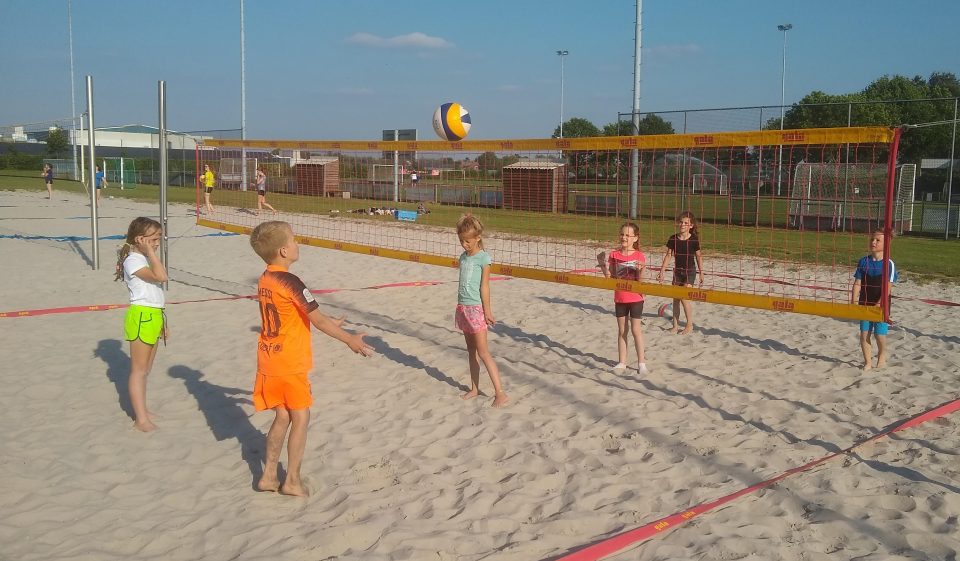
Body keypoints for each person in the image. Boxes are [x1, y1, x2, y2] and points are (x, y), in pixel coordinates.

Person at [249, 221, 373, 496]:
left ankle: (268, 476)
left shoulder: (265, 278)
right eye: (293, 240)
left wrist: (331, 321)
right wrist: (349, 339)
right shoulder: (290, 281)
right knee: (301, 418)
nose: (297, 244)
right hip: (290, 361)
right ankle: (291, 480)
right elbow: (317, 321)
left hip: (269, 357)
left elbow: (296, 314)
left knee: (282, 416)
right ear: (283, 250)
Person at [114, 217, 168, 432]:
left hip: (154, 314)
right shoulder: (134, 260)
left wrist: (163, 322)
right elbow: (161, 276)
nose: (157, 243)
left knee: (146, 370)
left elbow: (155, 292)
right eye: (153, 239)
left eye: (158, 239)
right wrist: (152, 253)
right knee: (138, 370)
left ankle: (142, 411)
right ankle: (140, 419)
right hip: (141, 316)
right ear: (140, 239)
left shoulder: (142, 258)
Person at [455, 214, 509, 407]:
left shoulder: (484, 258)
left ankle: (500, 393)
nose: (464, 245)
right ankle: (475, 388)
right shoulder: (463, 257)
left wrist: (487, 311)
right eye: (461, 241)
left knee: (484, 352)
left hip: (477, 309)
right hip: (463, 308)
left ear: (478, 237)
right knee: (471, 351)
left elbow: (484, 287)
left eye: (467, 241)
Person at [598, 222, 648, 373]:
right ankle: (622, 362)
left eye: (627, 235)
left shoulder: (639, 256)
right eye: (622, 234)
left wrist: (641, 270)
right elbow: (611, 277)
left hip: (636, 299)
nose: (624, 237)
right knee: (622, 330)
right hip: (620, 297)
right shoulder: (614, 255)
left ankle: (641, 363)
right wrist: (602, 264)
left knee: (636, 330)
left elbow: (641, 282)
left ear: (635, 238)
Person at [851, 229, 898, 371]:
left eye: (878, 240)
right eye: (872, 239)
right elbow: (858, 283)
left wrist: (878, 304)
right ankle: (868, 362)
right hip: (864, 303)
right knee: (864, 334)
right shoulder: (863, 261)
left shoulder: (889, 264)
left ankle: (882, 355)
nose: (873, 242)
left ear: (887, 244)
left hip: (881, 304)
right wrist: (853, 301)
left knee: (879, 335)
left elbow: (887, 288)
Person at [657, 210, 704, 335]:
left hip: (690, 271)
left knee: (684, 298)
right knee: (676, 299)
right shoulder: (673, 238)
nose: (682, 225)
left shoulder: (693, 239)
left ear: (691, 225)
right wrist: (662, 271)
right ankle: (675, 326)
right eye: (681, 222)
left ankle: (689, 325)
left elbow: (699, 256)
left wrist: (702, 273)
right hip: (677, 272)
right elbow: (668, 255)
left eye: (686, 223)